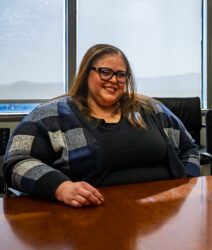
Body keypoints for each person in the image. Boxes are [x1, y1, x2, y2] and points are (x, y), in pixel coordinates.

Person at [3, 44, 200, 207]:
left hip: (163, 213)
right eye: (105, 72)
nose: (114, 80)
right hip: (91, 216)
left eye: (121, 75)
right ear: (85, 73)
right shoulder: (51, 115)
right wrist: (60, 187)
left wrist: (187, 182)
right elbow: (16, 163)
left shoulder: (151, 109)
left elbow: (189, 147)